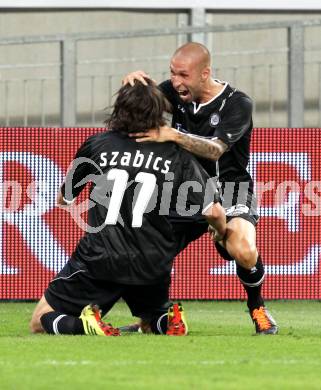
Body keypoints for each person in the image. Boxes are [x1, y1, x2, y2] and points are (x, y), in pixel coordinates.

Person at [30, 79, 226, 337]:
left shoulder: (97, 145)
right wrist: (220, 232)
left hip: (101, 259)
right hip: (152, 262)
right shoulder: (176, 154)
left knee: (39, 320)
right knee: (150, 318)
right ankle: (166, 322)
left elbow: (64, 199)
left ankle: (83, 326)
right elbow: (213, 212)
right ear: (159, 112)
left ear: (119, 109)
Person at [122, 42, 278, 335]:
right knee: (146, 247)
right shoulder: (174, 92)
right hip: (186, 189)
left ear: (205, 73)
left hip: (231, 188)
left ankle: (257, 307)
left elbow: (216, 150)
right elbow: (142, 105)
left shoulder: (237, 103)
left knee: (243, 249)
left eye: (183, 75)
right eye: (172, 73)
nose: (176, 81)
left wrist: (173, 134)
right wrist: (135, 85)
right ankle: (150, 317)